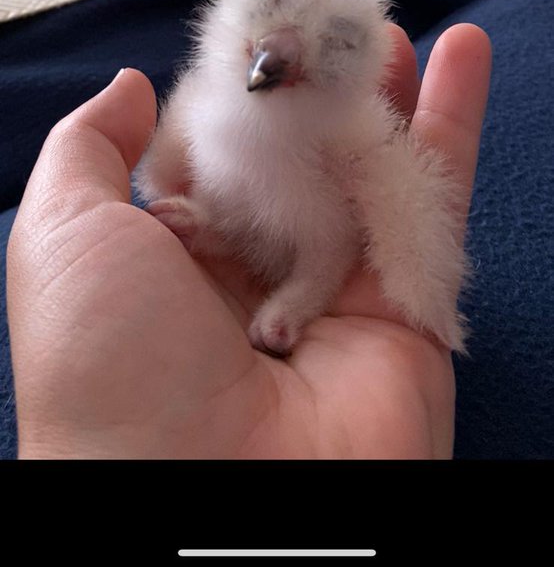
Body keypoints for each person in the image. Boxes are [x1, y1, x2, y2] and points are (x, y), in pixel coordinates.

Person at [7, 23, 491, 460]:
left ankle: (287, 285)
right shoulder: (204, 112)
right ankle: (230, 243)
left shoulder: (337, 141)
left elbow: (338, 236)